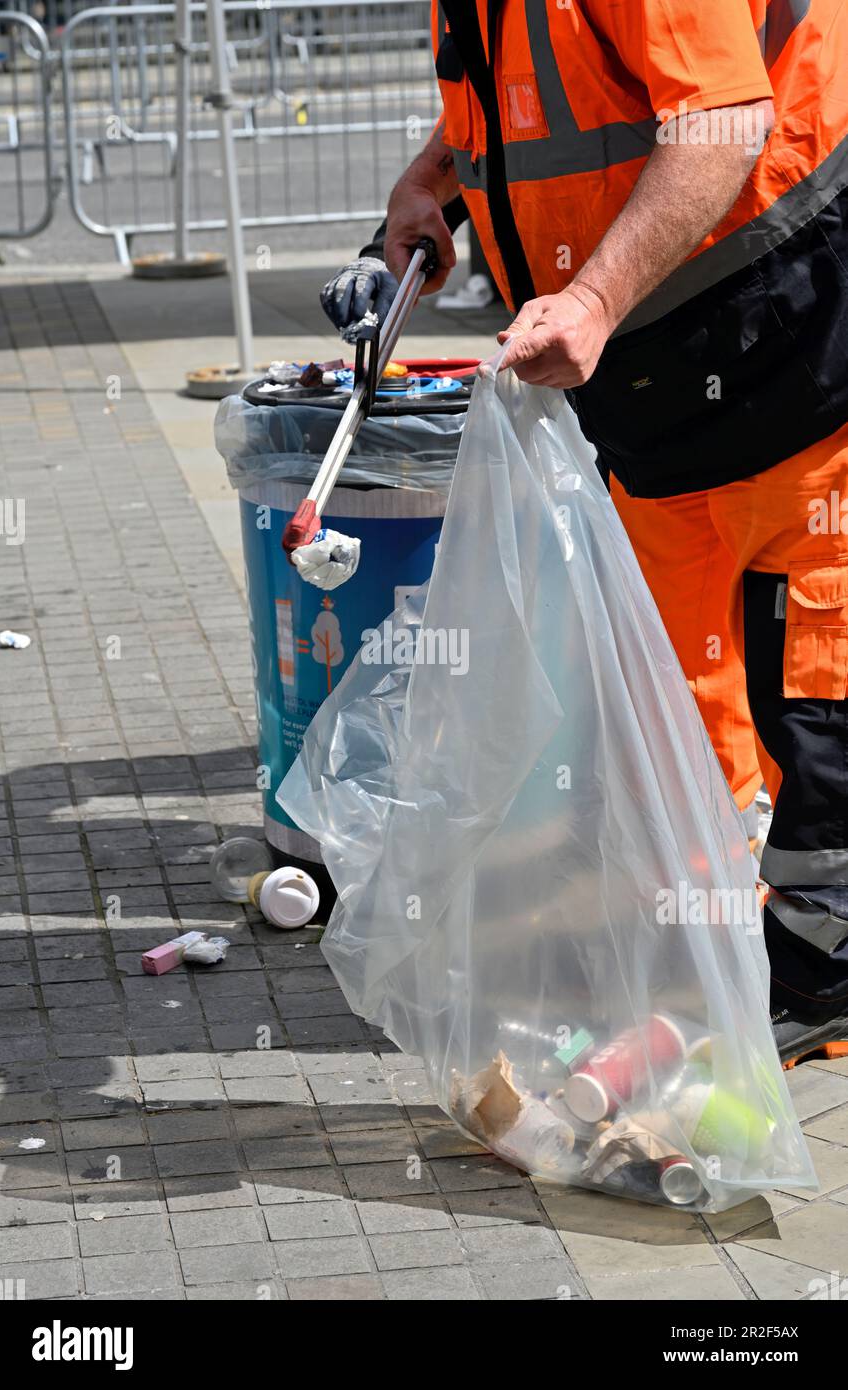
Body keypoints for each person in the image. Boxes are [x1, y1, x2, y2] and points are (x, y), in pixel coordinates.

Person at [321, 0, 848, 1069]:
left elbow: (717, 116)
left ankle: (815, 967)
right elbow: (529, 110)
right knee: (673, 695)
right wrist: (436, 184)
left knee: (813, 680)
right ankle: (701, 943)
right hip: (664, 390)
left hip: (790, 343)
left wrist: (594, 298)